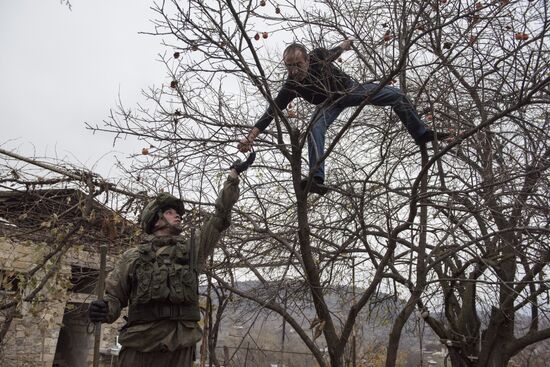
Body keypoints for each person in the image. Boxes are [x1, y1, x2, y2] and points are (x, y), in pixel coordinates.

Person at [88, 153, 256, 367]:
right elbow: (114, 298)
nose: (178, 216)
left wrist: (233, 177)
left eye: (178, 214)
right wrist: (102, 310)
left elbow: (219, 217)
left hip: (180, 346)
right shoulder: (133, 257)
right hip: (140, 346)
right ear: (156, 221)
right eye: (170, 212)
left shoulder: (192, 250)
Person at [237, 40, 450, 195]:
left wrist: (345, 45)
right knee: (314, 129)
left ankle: (421, 133)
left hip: (348, 91)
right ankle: (316, 179)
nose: (294, 71)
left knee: (396, 95)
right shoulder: (291, 85)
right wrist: (251, 137)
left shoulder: (319, 56)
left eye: (298, 65)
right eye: (289, 67)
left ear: (307, 60)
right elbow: (271, 112)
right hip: (327, 105)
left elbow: (334, 51)